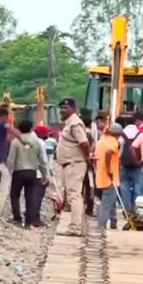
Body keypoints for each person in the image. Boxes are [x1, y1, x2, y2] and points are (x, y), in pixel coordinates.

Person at [55, 97, 90, 236]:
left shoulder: (75, 123)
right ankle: (77, 225)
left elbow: (84, 143)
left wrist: (87, 157)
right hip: (69, 163)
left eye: (65, 108)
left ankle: (75, 227)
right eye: (61, 108)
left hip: (74, 163)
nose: (63, 111)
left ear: (73, 109)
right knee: (73, 195)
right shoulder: (69, 123)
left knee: (74, 196)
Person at [6, 120, 48, 228]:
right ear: (31, 128)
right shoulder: (36, 142)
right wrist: (45, 174)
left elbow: (11, 159)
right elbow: (42, 160)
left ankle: (17, 218)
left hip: (19, 172)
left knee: (15, 195)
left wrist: (9, 172)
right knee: (30, 196)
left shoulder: (16, 142)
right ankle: (29, 221)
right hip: (32, 172)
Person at [95, 123, 123, 230]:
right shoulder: (113, 142)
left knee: (112, 201)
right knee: (106, 203)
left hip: (101, 176)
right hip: (109, 177)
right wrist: (109, 169)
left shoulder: (102, 140)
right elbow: (108, 153)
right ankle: (101, 225)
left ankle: (114, 222)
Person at [118, 113, 142, 213]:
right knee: (137, 185)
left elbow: (119, 147)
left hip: (124, 163)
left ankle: (127, 209)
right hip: (137, 164)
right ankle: (136, 208)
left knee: (124, 186)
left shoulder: (122, 133)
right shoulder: (139, 133)